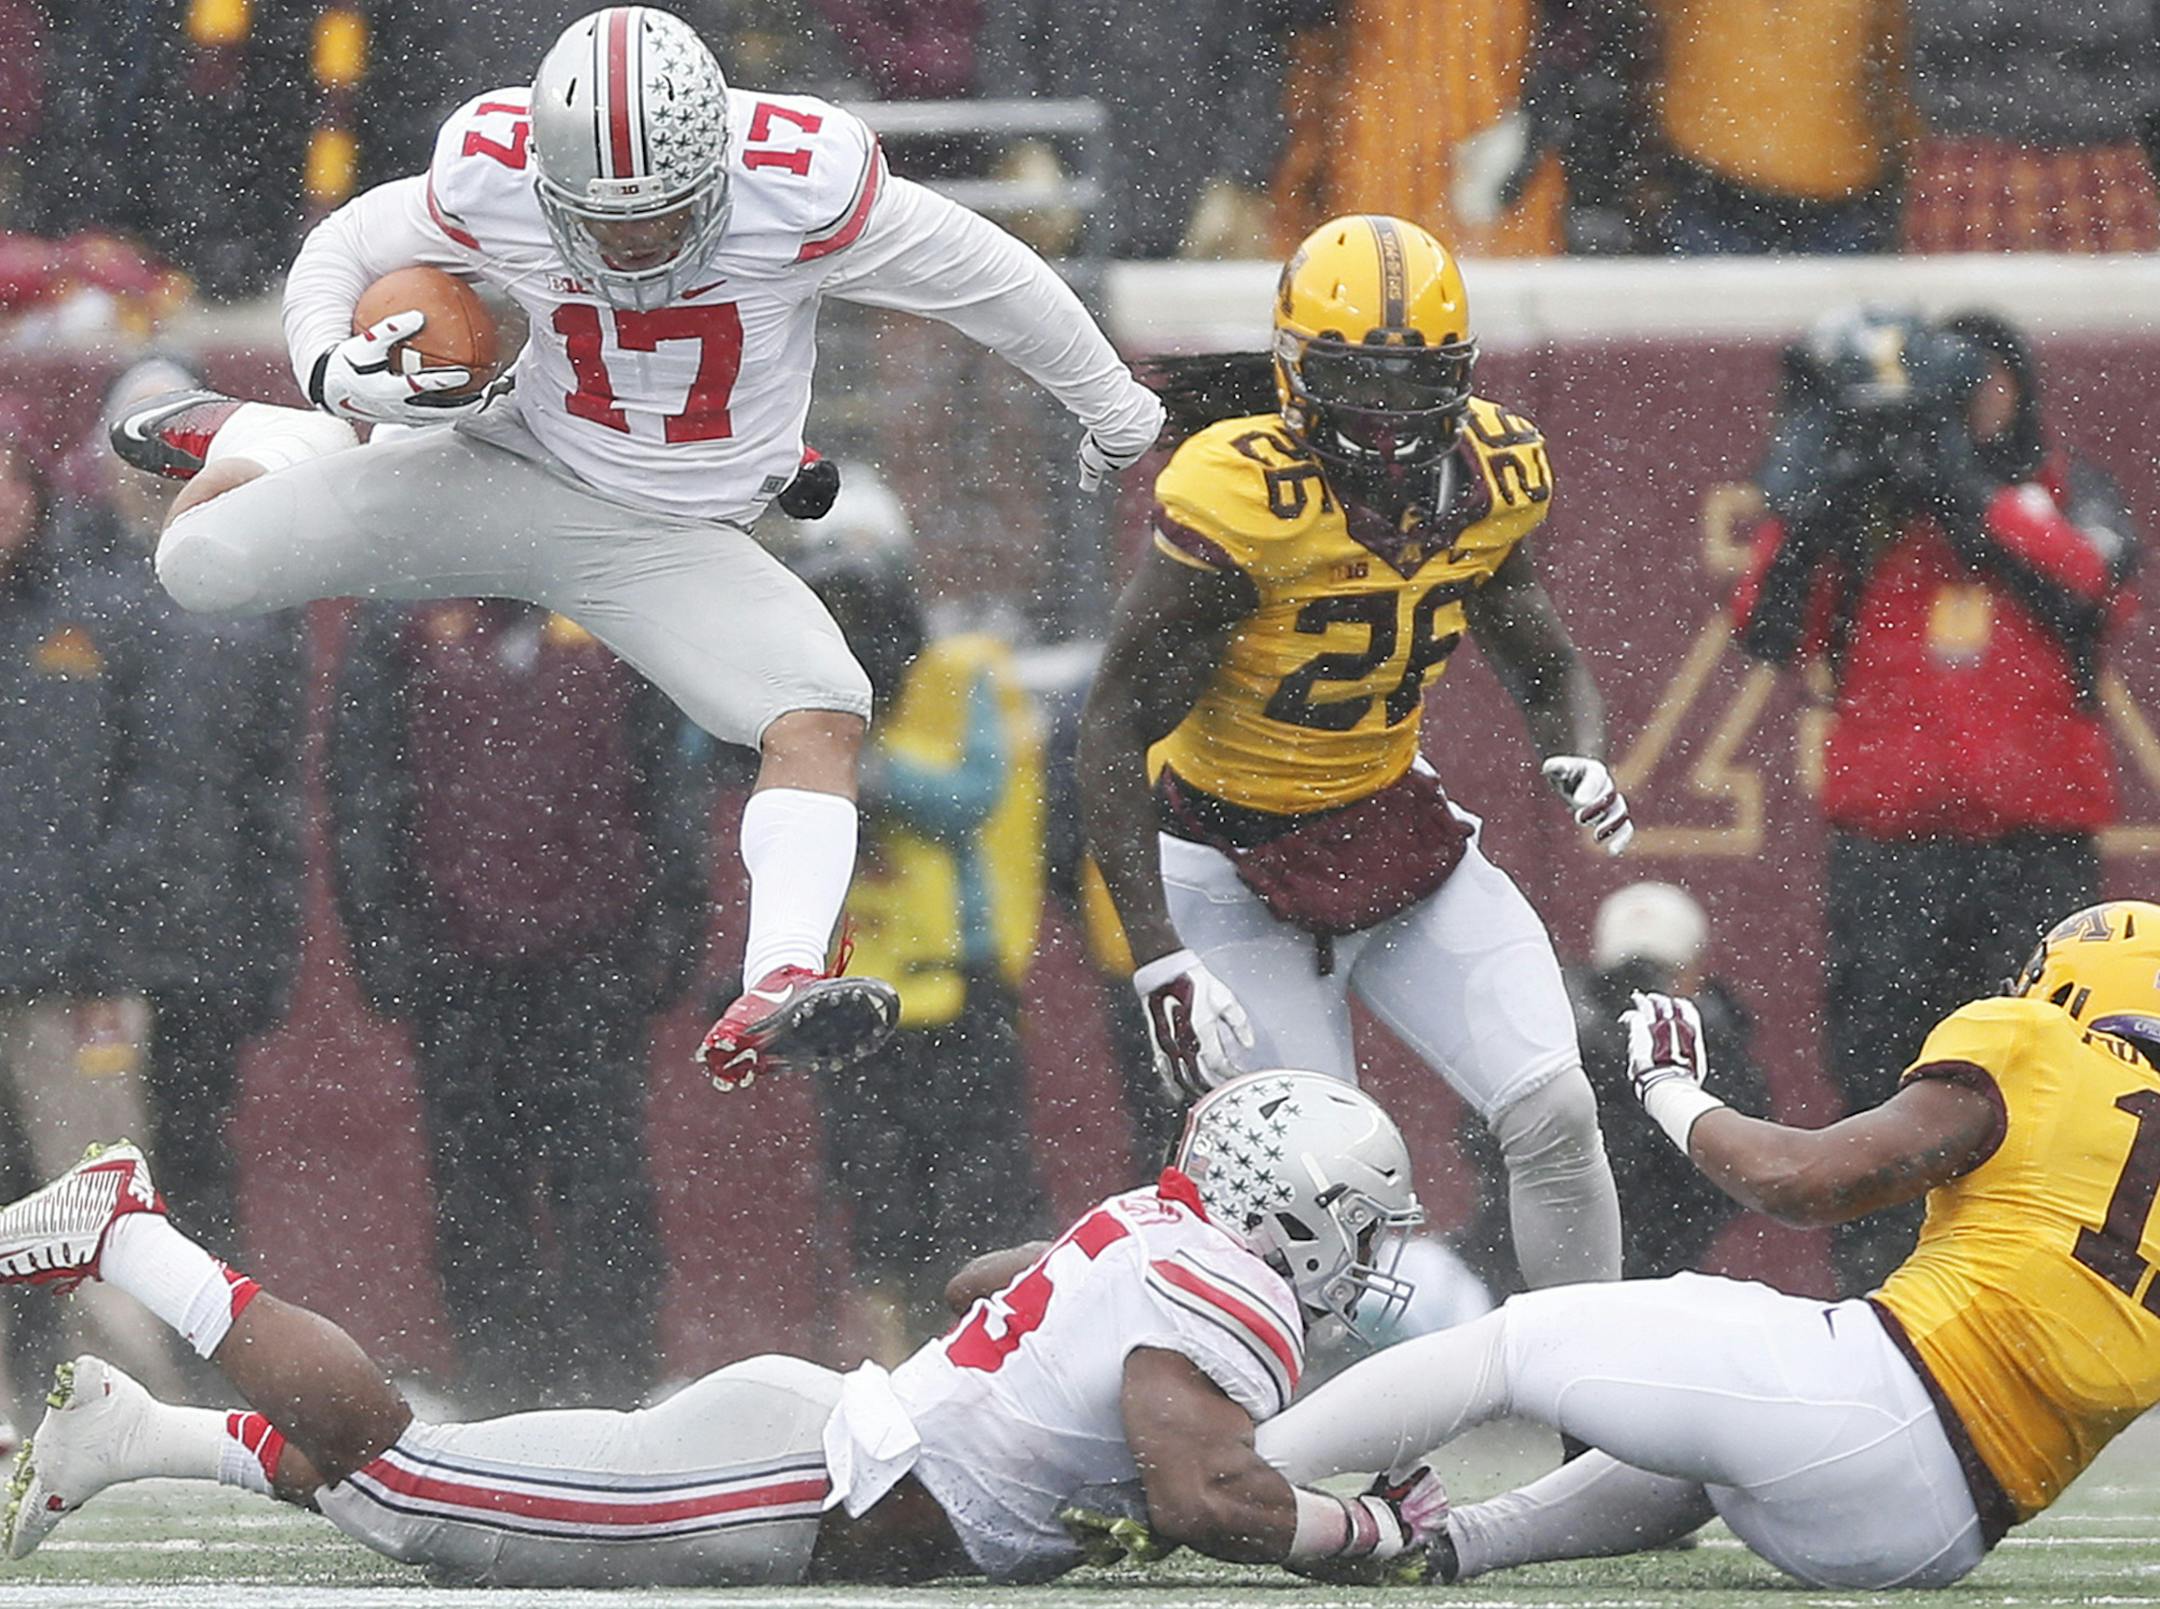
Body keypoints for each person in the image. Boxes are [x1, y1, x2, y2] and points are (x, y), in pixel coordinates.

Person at [107, 4, 1166, 1092]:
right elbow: (346, 245)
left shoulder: (795, 184)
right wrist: (327, 370)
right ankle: (280, 434)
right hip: (505, 471)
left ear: (716, 161)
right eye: (602, 220)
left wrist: (1110, 399)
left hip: (665, 539)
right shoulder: (492, 168)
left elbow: (986, 274)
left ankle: (785, 971)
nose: (632, 245)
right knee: (197, 565)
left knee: (819, 703)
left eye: (661, 214)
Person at [0, 1071, 1447, 1587]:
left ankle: (135, 1434)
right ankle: (132, 1231)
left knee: (451, 1473)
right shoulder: (1231, 1288)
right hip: (793, 1483)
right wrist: (1360, 1534)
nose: (1373, 1255)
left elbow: (973, 1284)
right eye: (1364, 1221)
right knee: (402, 1485)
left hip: (807, 1435)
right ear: (1294, 1211)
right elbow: (1205, 1496)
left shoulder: (1155, 1221)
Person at [1255, 899, 2160, 1590]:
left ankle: (1238, 1471)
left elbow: (1805, 1183)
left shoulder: (2039, 1041)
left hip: (1882, 1405)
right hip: (1946, 1531)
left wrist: (1668, 1086)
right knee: (1717, 1434)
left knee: (1521, 1336)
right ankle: (1455, 1544)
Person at [1079, 214, 1626, 1299]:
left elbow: (1547, 661)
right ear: (1294, 371)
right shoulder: (1240, 496)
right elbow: (1109, 725)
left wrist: (1581, 753)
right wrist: (1156, 953)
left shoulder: (1494, 474)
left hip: (1390, 828)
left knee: (1557, 1109)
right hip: (1224, 859)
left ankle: (1596, 1420)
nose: (1382, 418)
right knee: (1305, 1196)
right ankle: (1286, 1456)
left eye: (1411, 382)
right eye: (1353, 381)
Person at [1733, 306, 2138, 1295]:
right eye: (1963, 385)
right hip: (1891, 849)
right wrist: (1822, 485)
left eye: (1989, 382)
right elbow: (1766, 622)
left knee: (2051, 1066)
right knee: (1881, 1063)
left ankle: (2040, 1276)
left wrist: (1966, 491)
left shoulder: (2062, 490)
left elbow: (2093, 588)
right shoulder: (1866, 518)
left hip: (2033, 849)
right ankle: (1879, 1276)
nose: (1975, 403)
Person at [327, 597, 712, 1409]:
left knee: (604, 1177)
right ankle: (502, 1384)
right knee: (474, 1186)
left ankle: (615, 1383)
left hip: (592, 959)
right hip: (456, 962)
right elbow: (362, 788)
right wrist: (385, 935)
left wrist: (671, 924)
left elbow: (670, 778)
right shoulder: (399, 626)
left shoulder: (617, 617)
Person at [764, 468, 1047, 1357]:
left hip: (955, 979)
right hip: (854, 990)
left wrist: (864, 766)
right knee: (875, 1199)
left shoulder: (965, 672)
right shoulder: (793, 690)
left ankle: (986, 1356)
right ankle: (890, 1363)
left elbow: (973, 793)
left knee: (980, 1192)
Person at [83, 357, 306, 1263]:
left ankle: (213, 1363)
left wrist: (266, 947)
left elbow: (273, 793)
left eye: (175, 441)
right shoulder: (62, 586)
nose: (152, 466)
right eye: (136, 443)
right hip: (84, 954)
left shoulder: (251, 590)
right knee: (84, 1171)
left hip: (205, 944)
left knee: (196, 1164)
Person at [1460, 881, 1768, 1287]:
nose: (1644, 990)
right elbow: (1482, 1137)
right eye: (1630, 973)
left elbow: (1738, 1171)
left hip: (1653, 1275)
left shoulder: (1719, 1048)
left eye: (1664, 972)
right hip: (1521, 1273)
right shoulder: (1557, 1035)